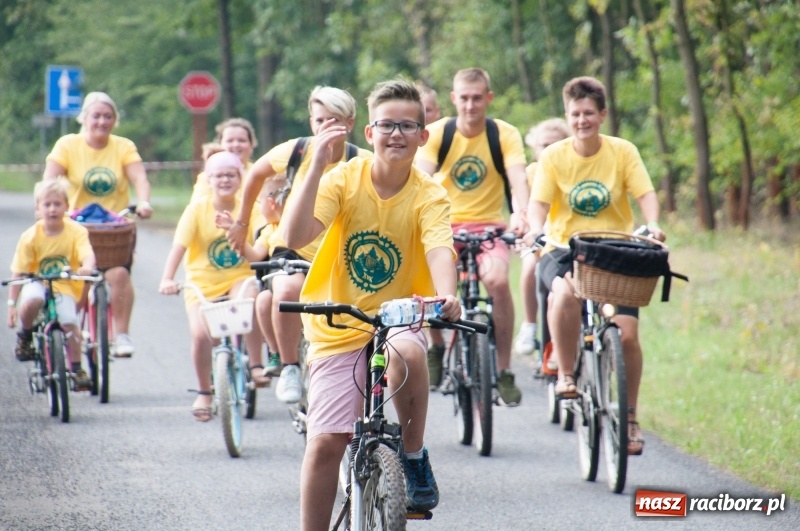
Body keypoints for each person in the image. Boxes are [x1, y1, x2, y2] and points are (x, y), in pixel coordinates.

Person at [281, 79, 460, 530]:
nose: (396, 134)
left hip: (399, 315)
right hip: (338, 323)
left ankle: (413, 457)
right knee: (326, 442)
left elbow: (440, 249)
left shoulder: (429, 194)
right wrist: (315, 165)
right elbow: (294, 236)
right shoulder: (343, 179)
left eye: (407, 125)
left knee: (409, 352)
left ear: (423, 134)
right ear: (369, 133)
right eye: (386, 125)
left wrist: (447, 295)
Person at [525, 76, 666, 456]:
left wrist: (653, 223)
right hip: (563, 248)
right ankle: (566, 374)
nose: (581, 120)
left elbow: (645, 194)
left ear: (602, 115)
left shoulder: (622, 151)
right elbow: (539, 204)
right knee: (564, 294)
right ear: (567, 115)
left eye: (588, 113)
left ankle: (630, 418)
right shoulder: (553, 156)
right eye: (575, 114)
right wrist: (536, 228)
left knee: (628, 335)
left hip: (614, 248)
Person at [226, 86, 372, 404]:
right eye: (320, 120)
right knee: (287, 291)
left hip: (339, 252)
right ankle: (289, 366)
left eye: (334, 120)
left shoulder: (362, 161)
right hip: (293, 247)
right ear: (311, 122)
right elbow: (255, 176)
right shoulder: (297, 150)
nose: (325, 127)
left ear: (349, 123)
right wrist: (241, 223)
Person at [417, 67, 529, 406]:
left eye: (477, 98)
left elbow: (518, 179)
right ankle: (437, 346)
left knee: (497, 282)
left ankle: (504, 370)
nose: (470, 105)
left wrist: (521, 213)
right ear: (453, 99)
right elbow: (421, 178)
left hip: (489, 227)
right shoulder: (438, 133)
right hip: (444, 226)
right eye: (464, 98)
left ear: (488, 98)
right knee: (432, 281)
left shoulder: (504, 134)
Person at [42, 91, 153, 358]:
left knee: (119, 274)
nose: (102, 121)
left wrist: (144, 202)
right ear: (84, 118)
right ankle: (72, 330)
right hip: (76, 224)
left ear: (115, 120)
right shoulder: (68, 145)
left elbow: (139, 178)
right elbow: (50, 180)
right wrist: (49, 205)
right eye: (96, 116)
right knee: (77, 278)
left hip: (113, 227)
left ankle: (122, 334)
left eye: (107, 116)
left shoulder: (123, 147)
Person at [158, 151, 265, 420]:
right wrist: (167, 278)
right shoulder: (197, 209)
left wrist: (234, 228)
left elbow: (262, 244)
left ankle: (255, 364)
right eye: (219, 175)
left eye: (231, 175)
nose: (225, 180)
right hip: (201, 282)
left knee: (249, 301)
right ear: (208, 180)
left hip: (238, 276)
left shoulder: (251, 207)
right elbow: (179, 246)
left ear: (241, 178)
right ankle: (204, 392)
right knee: (201, 336)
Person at [7, 179, 96, 390]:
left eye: (57, 204)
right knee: (32, 300)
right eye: (47, 205)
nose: (52, 209)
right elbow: (18, 270)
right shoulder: (30, 236)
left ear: (67, 206)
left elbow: (87, 254)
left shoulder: (76, 231)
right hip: (37, 281)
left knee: (70, 322)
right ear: (38, 209)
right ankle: (25, 336)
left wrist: (87, 267)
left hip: (64, 285)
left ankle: (76, 368)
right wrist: (12, 304)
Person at [216, 173, 288, 383]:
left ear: (271, 204)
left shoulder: (299, 227)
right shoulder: (269, 231)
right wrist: (234, 232)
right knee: (263, 301)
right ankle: (275, 352)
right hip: (278, 287)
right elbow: (255, 255)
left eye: (259, 203)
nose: (258, 208)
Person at [513, 118, 571, 359]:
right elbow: (520, 206)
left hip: (563, 235)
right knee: (530, 267)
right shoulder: (530, 174)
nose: (548, 150)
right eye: (543, 145)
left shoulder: (570, 170)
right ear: (535, 148)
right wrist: (524, 226)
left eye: (554, 144)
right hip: (536, 234)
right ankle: (529, 324)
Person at [190, 118, 258, 202]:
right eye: (230, 141)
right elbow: (198, 205)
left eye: (242, 140)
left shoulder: (260, 172)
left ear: (252, 144)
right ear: (220, 144)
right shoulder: (208, 176)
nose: (236, 144)